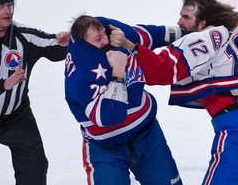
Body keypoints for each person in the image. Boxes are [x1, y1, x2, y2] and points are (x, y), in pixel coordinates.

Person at [108, 0, 238, 185]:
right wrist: (225, 17)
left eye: (186, 17)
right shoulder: (235, 30)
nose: (179, 22)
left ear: (203, 22)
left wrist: (130, 47)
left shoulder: (201, 38)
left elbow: (161, 71)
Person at [64, 15, 184, 185]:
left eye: (105, 34)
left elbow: (149, 34)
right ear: (84, 44)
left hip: (148, 135)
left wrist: (188, 31)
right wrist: (118, 71)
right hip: (106, 148)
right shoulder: (79, 77)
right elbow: (110, 116)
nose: (107, 40)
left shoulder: (113, 33)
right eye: (99, 39)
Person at [0, 0, 69, 185]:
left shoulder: (23, 36)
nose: (7, 10)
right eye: (0, 5)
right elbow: (2, 85)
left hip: (17, 116)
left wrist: (66, 41)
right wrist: (2, 85)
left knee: (35, 168)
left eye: (9, 4)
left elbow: (53, 45)